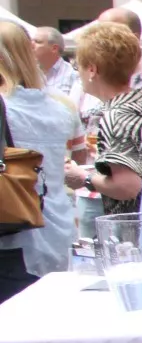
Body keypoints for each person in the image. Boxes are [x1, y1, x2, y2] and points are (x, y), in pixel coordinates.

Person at [0, 21, 85, 302]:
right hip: (57, 227)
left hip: (13, 237)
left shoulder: (8, 106)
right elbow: (78, 156)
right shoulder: (60, 105)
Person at [62, 22, 142, 217]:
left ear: (92, 70)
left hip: (134, 228)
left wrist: (83, 177)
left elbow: (128, 186)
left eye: (79, 66)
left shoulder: (117, 115)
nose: (78, 73)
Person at [32, 27, 76, 98]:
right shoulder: (28, 73)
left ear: (54, 48)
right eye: (31, 41)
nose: (31, 45)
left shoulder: (72, 75)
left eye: (37, 42)